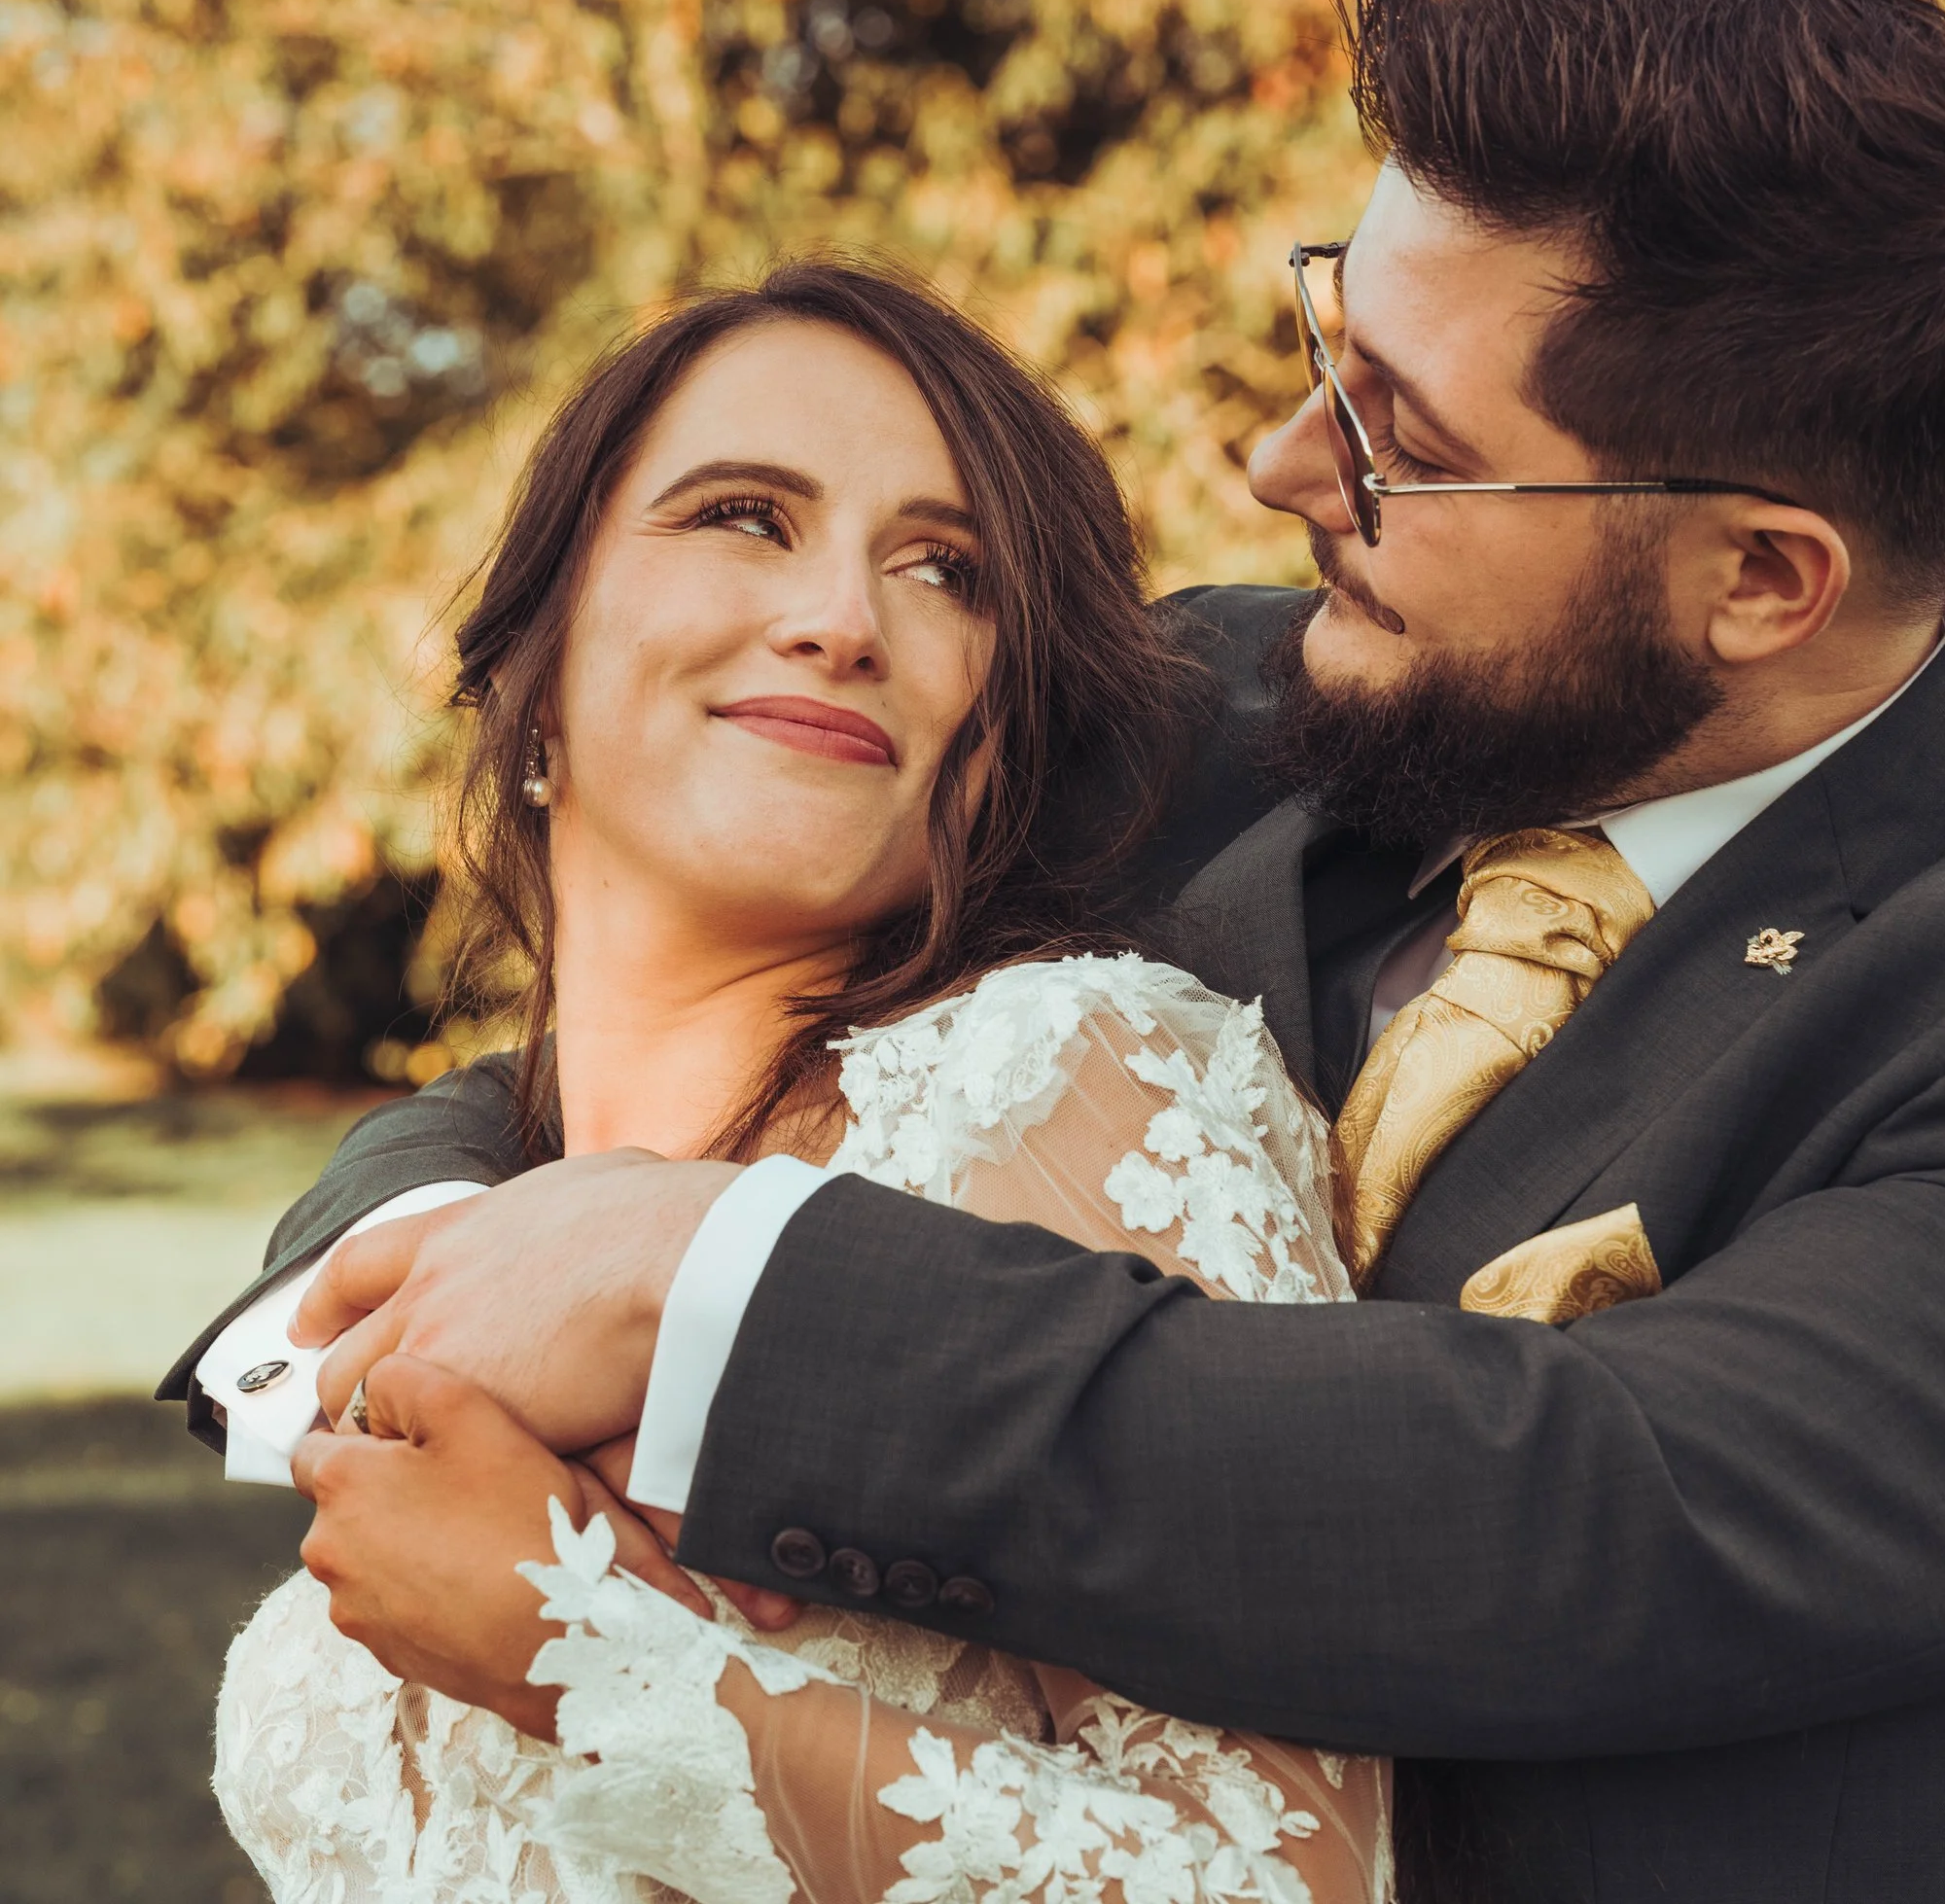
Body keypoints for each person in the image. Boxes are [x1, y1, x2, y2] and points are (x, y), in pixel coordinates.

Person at [165, 0, 1945, 1898]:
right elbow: (667, 992)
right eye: (1328, 340)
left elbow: (1567, 1525)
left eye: (1398, 440)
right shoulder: (1244, 699)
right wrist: (421, 1270)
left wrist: (707, 1289)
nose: (1275, 461)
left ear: (1758, 578)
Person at [202, 257, 1392, 1903]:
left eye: (947, 572)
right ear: (534, 673)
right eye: (745, 516)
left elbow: (1295, 1877)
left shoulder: (1065, 1084)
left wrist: (594, 1667)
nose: (843, 617)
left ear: (1002, 740)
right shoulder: (461, 1256)